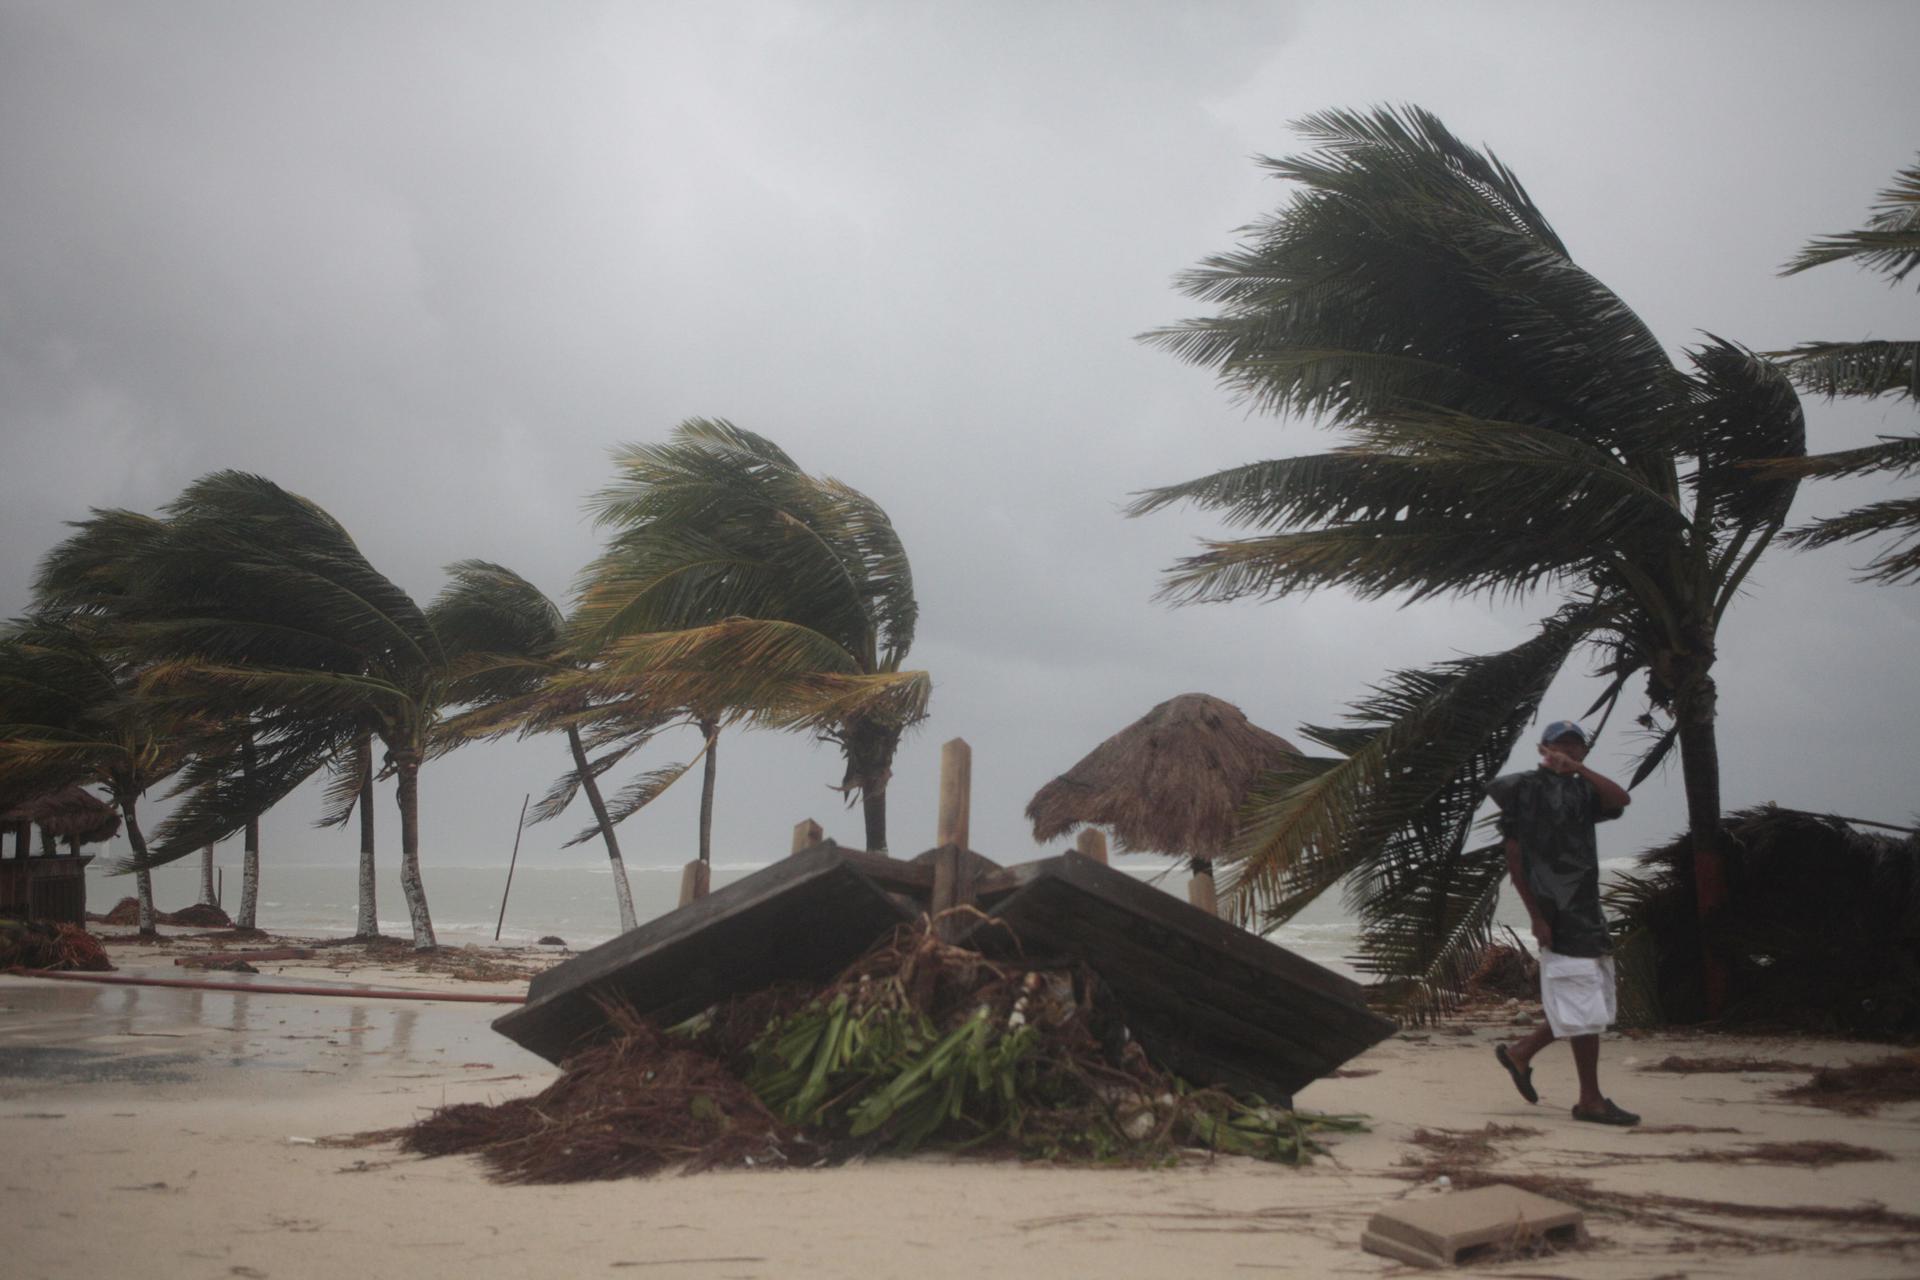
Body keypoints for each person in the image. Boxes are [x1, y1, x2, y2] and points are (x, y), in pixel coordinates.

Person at [1487, 720, 1640, 1126]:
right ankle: (1589, 1099)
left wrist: (1580, 769)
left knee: (1592, 1000)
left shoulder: (1584, 790)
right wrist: (1536, 916)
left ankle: (1521, 1054)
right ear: (1544, 749)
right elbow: (1515, 858)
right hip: (1555, 909)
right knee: (1582, 1000)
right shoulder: (1521, 789)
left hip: (1586, 906)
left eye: (1577, 747)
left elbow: (1620, 798)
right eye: (1561, 746)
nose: (1569, 752)